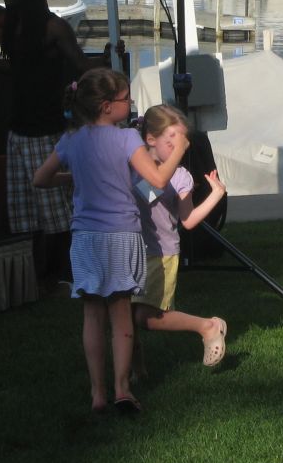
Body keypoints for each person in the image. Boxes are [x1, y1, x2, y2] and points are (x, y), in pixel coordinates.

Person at [32, 68, 188, 415]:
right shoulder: (127, 139)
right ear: (106, 106)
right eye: (125, 98)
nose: (130, 103)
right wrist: (179, 149)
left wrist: (74, 176)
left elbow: (40, 179)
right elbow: (157, 178)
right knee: (120, 315)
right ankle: (122, 388)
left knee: (92, 314)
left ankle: (97, 393)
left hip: (85, 237)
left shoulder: (72, 139)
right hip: (121, 235)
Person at [0, 0, 106, 290]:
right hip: (18, 126)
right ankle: (40, 273)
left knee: (56, 207)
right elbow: (19, 68)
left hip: (44, 127)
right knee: (24, 208)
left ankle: (66, 271)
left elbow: (79, 64)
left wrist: (108, 66)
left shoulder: (53, 27)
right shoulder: (14, 25)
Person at [132, 104, 228, 374]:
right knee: (125, 317)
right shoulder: (134, 166)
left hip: (160, 253)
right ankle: (135, 373)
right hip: (130, 250)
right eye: (171, 143)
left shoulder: (180, 176)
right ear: (151, 139)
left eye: (182, 144)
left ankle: (207, 327)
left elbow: (188, 220)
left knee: (146, 317)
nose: (178, 150)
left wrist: (216, 194)